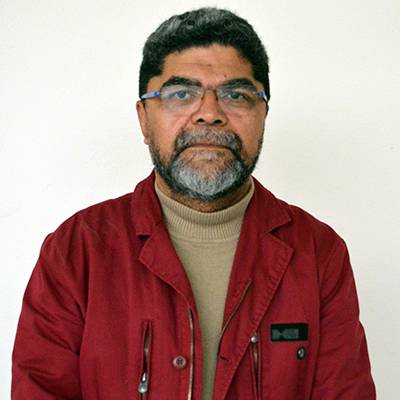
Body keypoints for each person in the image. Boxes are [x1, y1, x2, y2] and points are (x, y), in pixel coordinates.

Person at [12, 7, 376, 399]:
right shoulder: (76, 250)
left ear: (263, 115)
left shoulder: (318, 253)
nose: (209, 114)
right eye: (181, 94)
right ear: (144, 119)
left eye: (236, 95)